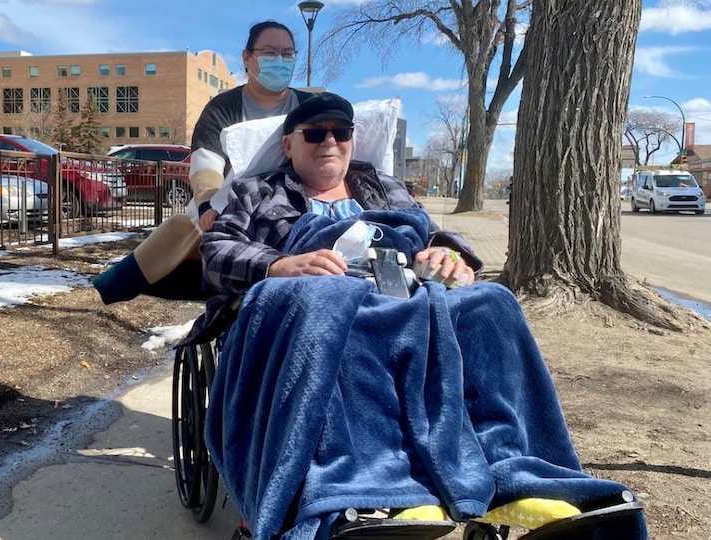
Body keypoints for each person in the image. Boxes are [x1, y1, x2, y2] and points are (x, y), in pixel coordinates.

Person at [200, 93, 647, 540]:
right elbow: (217, 250)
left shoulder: (381, 185)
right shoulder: (257, 190)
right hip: (315, 294)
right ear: (289, 145)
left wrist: (446, 253)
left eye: (341, 132)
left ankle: (512, 470)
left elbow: (431, 233)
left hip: (401, 286)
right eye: (315, 134)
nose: (330, 141)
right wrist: (279, 264)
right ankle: (375, 484)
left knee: (491, 304)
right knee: (343, 312)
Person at [93, 21, 315, 304]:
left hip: (289, 210)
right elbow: (206, 164)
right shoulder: (223, 109)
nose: (280, 61)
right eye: (270, 53)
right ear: (247, 58)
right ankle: (119, 282)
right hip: (233, 209)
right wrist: (208, 204)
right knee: (182, 235)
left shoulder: (309, 108)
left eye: (287, 54)